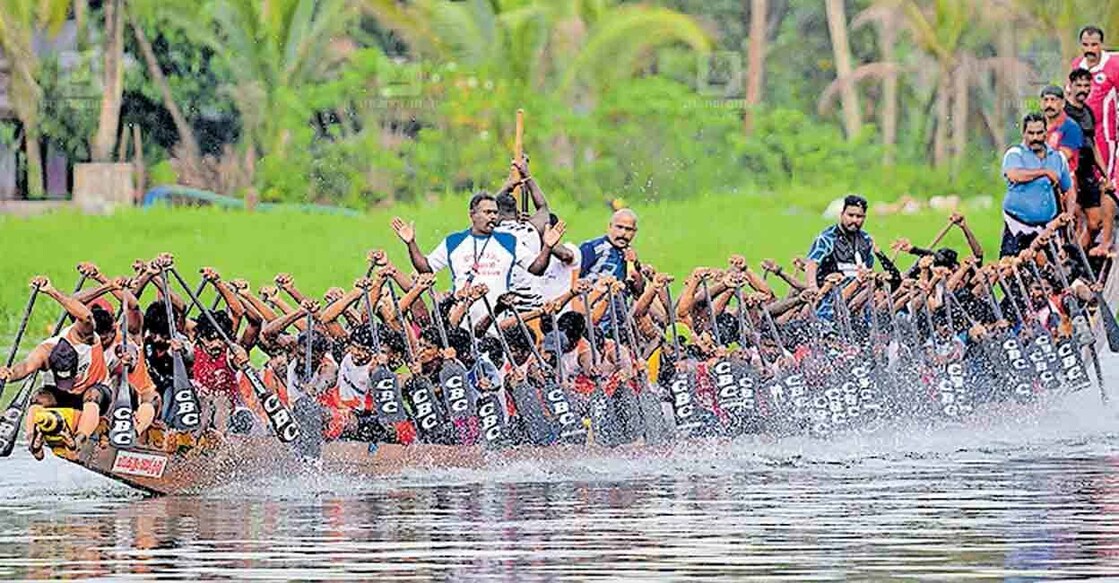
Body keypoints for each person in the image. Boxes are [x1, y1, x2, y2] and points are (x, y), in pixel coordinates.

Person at [0, 277, 109, 458]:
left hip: (93, 394)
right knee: (39, 397)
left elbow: (85, 314)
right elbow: (26, 366)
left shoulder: (85, 336)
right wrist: (9, 374)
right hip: (61, 394)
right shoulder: (46, 351)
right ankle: (33, 442)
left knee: (93, 394)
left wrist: (51, 291)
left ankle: (79, 441)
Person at [1000, 113, 1075, 257]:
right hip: (1018, 226)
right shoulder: (1015, 154)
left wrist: (1069, 214)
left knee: (1052, 274)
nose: (1035, 138)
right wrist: (1044, 172)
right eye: (1031, 133)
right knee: (1011, 271)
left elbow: (1069, 188)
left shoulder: (1058, 157)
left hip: (1048, 228)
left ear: (1046, 132)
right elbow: (1014, 175)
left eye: (1039, 133)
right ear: (1024, 133)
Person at [1065, 67, 1118, 255]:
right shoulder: (1064, 112)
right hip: (1071, 175)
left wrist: (1105, 174)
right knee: (1077, 222)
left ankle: (1082, 262)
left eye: (1086, 85)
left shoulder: (1087, 112)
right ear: (1070, 87)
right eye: (1078, 85)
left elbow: (1093, 144)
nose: (1083, 89)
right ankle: (1071, 265)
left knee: (1096, 222)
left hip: (1088, 174)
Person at [1071, 25, 1119, 185]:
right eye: (1086, 45)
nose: (1090, 49)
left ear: (1102, 45)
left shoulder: (1113, 65)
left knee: (1107, 178)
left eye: (1094, 45)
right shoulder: (1077, 65)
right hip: (1083, 134)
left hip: (1106, 134)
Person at [805, 195, 876, 291]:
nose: (854, 220)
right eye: (850, 215)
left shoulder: (866, 240)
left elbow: (869, 267)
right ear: (842, 214)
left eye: (859, 216)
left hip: (859, 292)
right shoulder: (827, 238)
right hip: (831, 293)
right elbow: (812, 263)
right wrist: (813, 287)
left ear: (864, 218)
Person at [578, 208, 644, 295]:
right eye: (619, 227)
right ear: (610, 226)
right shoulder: (592, 248)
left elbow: (638, 292)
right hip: (591, 304)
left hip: (619, 306)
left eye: (628, 229)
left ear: (634, 232)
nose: (623, 233)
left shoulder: (630, 255)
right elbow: (573, 279)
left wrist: (636, 265)